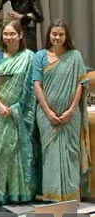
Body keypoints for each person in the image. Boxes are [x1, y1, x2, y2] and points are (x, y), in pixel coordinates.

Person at [33, 19, 90, 202]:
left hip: (70, 116)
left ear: (66, 36)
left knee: (71, 153)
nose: (57, 37)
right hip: (46, 116)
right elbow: (37, 85)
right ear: (49, 35)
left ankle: (71, 197)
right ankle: (52, 197)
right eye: (54, 33)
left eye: (61, 34)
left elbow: (81, 84)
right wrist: (49, 112)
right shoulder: (40, 56)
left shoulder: (75, 56)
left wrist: (71, 110)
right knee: (50, 155)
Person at [0, 20, 36, 204]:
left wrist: (16, 108)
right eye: (5, 34)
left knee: (15, 151)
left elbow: (31, 88)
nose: (8, 37)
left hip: (18, 112)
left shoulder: (29, 57)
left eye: (12, 34)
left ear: (20, 35)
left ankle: (18, 193)